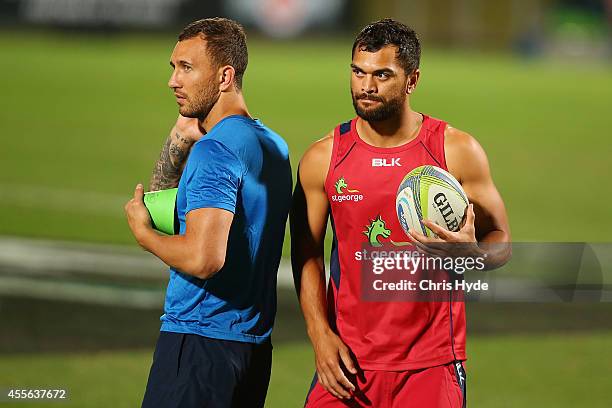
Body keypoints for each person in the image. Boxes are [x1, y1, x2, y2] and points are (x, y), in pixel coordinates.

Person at [291, 19, 511, 407]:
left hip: (431, 364)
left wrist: (472, 254)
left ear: (412, 80)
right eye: (358, 72)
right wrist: (319, 334)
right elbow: (306, 252)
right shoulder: (323, 158)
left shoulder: (456, 151)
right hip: (348, 364)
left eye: (382, 75)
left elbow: (501, 242)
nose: (366, 87)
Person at [124, 17, 292, 408]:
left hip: (199, 344)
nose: (173, 81)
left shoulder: (214, 152)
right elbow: (167, 204)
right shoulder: (274, 145)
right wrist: (181, 136)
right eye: (173, 68)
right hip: (251, 349)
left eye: (186, 68)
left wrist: (145, 235)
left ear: (224, 76)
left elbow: (203, 258)